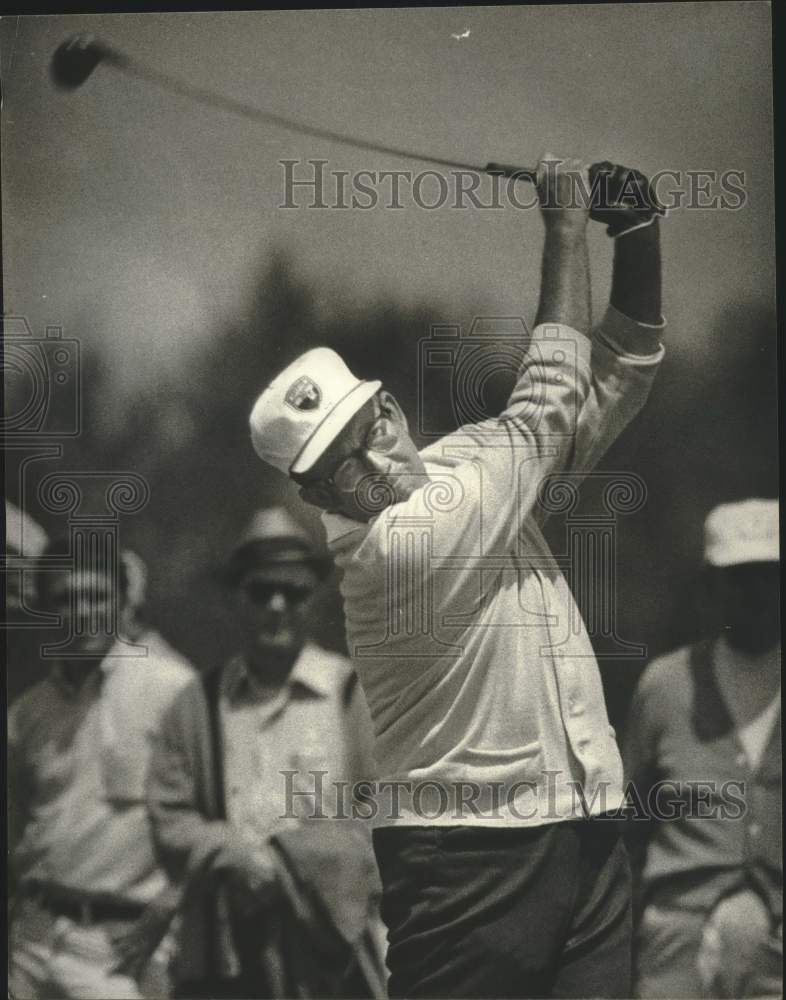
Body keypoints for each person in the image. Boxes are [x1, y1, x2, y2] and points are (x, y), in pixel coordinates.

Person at [247, 154, 666, 998]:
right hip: (470, 859)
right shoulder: (391, 549)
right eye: (338, 467)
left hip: (584, 828)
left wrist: (640, 237)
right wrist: (562, 230)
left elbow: (613, 375)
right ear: (314, 493)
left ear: (390, 410)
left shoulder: (473, 467)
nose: (370, 464)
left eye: (369, 430)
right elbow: (547, 406)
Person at [147, 506, 384, 999]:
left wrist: (289, 865)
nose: (277, 605)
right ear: (237, 596)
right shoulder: (197, 703)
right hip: (226, 951)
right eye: (260, 591)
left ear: (314, 599)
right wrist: (232, 852)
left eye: (293, 592)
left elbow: (383, 819)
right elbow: (169, 816)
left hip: (329, 952)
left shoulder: (350, 695)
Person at [8, 536, 194, 1000]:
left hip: (119, 944)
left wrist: (171, 905)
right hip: (32, 941)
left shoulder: (170, 689)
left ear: (120, 601)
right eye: (66, 599)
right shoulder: (26, 714)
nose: (82, 612)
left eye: (96, 596)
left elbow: (221, 807)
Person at [624, 498, 781, 999]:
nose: (753, 592)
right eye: (736, 576)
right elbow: (627, 821)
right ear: (710, 583)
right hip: (677, 930)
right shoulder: (667, 685)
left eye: (767, 574)